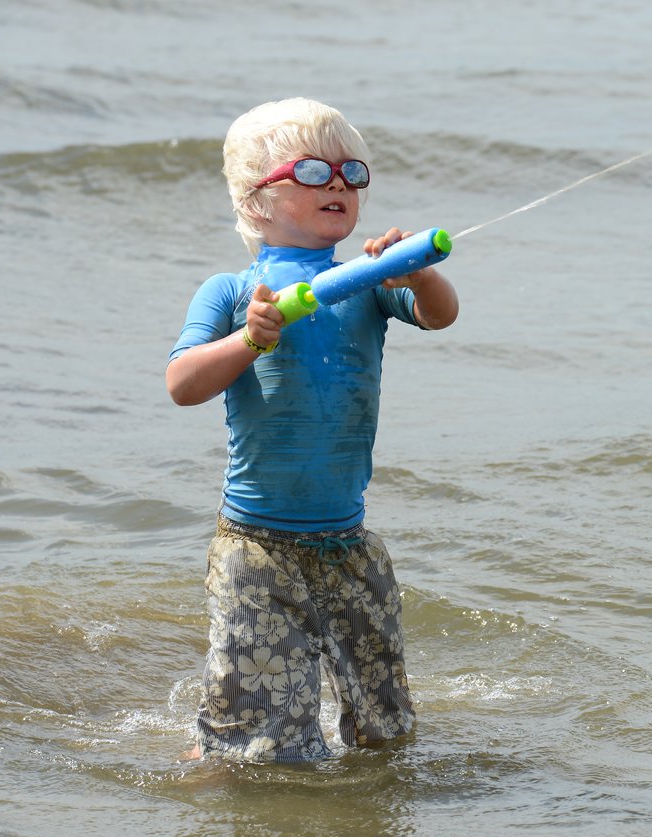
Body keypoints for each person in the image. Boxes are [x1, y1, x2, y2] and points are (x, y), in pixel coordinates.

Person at [166, 98, 458, 762]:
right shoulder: (232, 293)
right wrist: (250, 339)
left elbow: (440, 315)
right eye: (314, 170)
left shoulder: (368, 283)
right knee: (255, 742)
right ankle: (210, 773)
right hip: (258, 548)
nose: (338, 183)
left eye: (352, 172)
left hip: (348, 542)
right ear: (256, 199)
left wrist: (421, 274)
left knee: (386, 727)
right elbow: (182, 383)